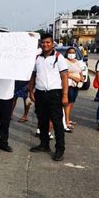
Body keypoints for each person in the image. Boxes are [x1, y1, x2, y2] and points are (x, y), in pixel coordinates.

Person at [28, 33, 68, 161]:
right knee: (42, 121)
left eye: (48, 42)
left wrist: (65, 95)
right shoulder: (37, 58)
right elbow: (33, 76)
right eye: (43, 42)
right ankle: (44, 144)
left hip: (55, 94)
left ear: (52, 44)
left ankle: (60, 149)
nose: (45, 45)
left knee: (57, 123)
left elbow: (65, 76)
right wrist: (31, 90)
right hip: (40, 93)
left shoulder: (58, 57)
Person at [64, 47, 83, 132]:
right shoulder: (64, 61)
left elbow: (80, 71)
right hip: (69, 84)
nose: (72, 54)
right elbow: (65, 73)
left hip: (76, 85)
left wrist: (81, 77)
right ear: (67, 53)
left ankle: (68, 118)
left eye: (73, 52)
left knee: (72, 102)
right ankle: (66, 121)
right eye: (70, 52)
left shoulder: (77, 62)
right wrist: (74, 78)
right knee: (68, 103)